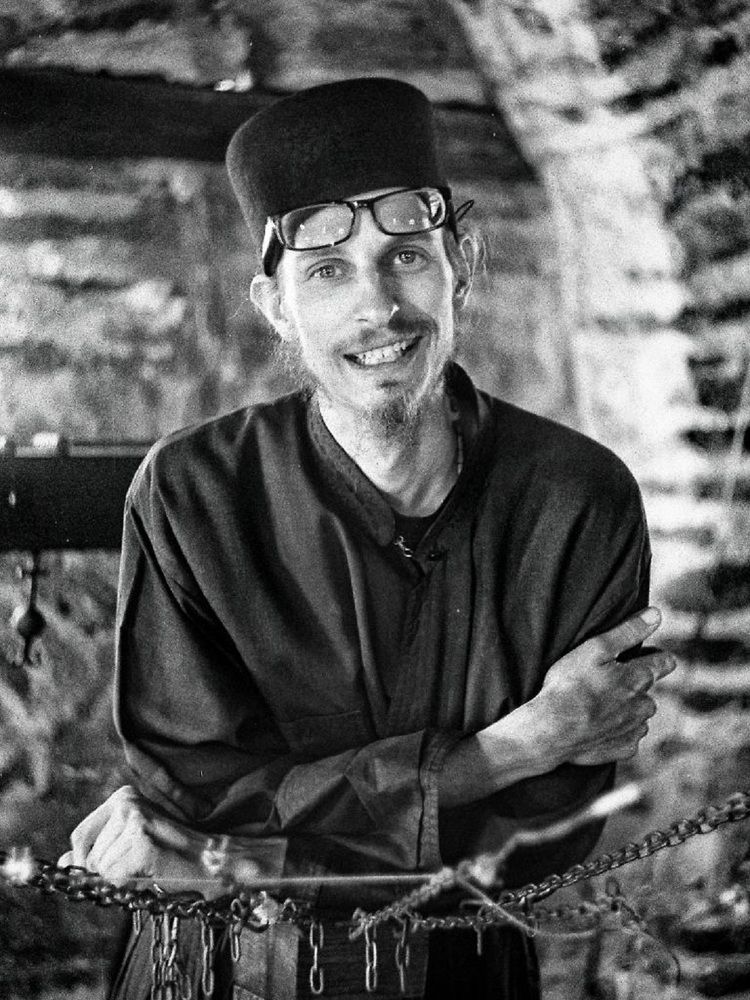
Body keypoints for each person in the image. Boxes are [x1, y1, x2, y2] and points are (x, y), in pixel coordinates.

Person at [60, 77, 675, 999]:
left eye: (406, 257)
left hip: (460, 975)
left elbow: (538, 842)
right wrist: (507, 751)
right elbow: (191, 792)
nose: (377, 307)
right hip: (217, 969)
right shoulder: (191, 493)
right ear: (274, 305)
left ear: (463, 262)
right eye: (327, 271)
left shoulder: (575, 500)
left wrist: (233, 850)